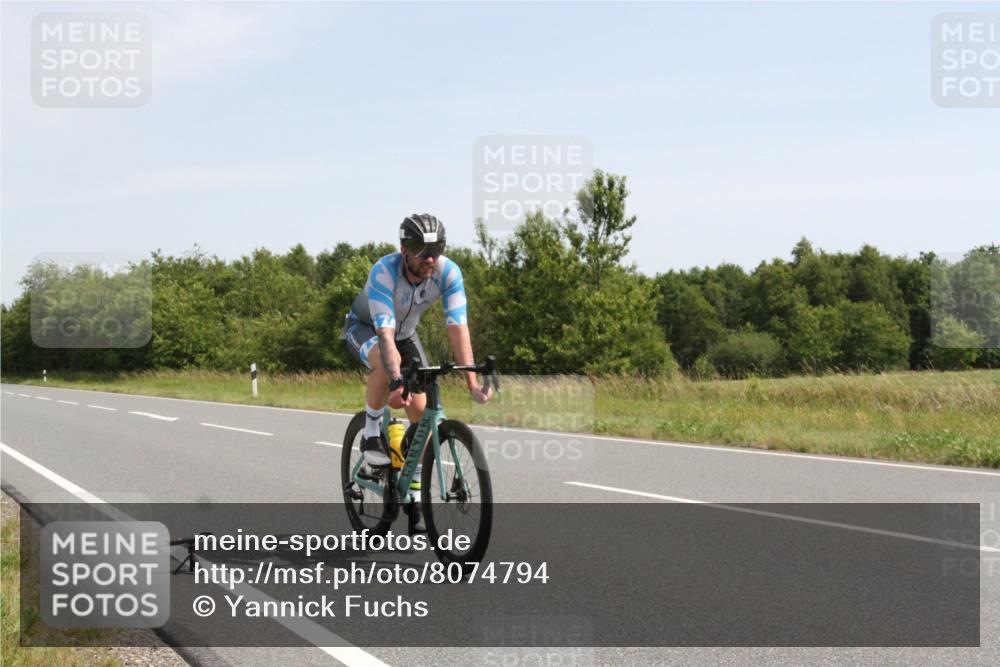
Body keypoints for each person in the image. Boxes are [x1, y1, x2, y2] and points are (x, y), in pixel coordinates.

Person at [342, 213, 493, 470]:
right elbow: (386, 336)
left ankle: (412, 491)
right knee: (385, 364)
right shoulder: (384, 272)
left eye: (437, 249)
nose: (431, 258)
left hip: (406, 335)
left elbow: (458, 329)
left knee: (424, 421)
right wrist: (396, 382)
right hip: (368, 328)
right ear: (404, 250)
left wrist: (472, 383)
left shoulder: (449, 273)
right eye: (422, 250)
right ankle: (370, 433)